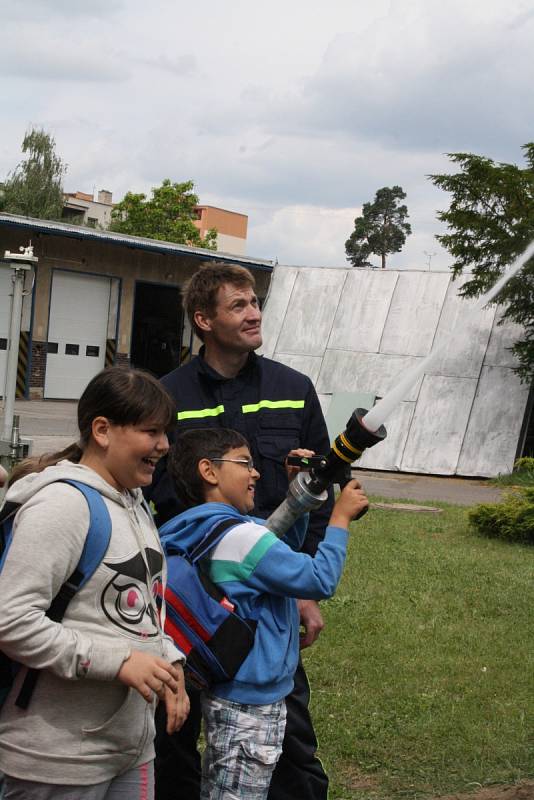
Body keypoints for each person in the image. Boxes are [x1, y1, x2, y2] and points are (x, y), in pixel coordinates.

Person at [147, 262, 336, 800]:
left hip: (269, 602)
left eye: (255, 303)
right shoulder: (168, 396)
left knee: (289, 741)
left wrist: (300, 589)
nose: (254, 314)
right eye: (238, 305)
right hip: (188, 604)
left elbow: (318, 492)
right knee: (174, 735)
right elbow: (150, 493)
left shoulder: (293, 388)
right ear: (203, 320)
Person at [0, 367, 190, 800]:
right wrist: (118, 662)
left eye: (166, 432)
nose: (164, 445)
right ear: (102, 430)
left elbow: (138, 607)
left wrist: (169, 660)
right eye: (152, 431)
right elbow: (11, 620)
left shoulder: (134, 501)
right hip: (58, 759)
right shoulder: (62, 505)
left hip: (130, 749)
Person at [160, 427, 368, 800]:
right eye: (245, 463)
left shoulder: (212, 528)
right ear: (209, 471)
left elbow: (279, 549)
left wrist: (298, 500)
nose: (256, 473)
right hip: (250, 707)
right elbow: (318, 579)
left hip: (236, 695)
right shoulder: (240, 537)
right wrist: (340, 518)